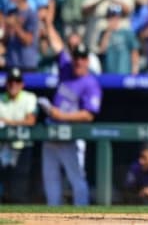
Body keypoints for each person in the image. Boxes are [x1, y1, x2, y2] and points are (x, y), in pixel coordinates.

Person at [38, 14, 102, 206]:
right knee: (50, 179)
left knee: (77, 180)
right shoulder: (66, 68)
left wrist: (61, 115)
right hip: (52, 131)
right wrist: (48, 23)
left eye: (83, 58)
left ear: (88, 61)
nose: (79, 61)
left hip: (71, 136)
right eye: (77, 58)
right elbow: (57, 45)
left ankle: (80, 216)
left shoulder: (91, 83)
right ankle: (52, 217)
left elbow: (89, 114)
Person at [0, 67, 37, 203]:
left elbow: (31, 121)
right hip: (3, 148)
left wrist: (6, 122)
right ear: (6, 83)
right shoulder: (1, 98)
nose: (13, 84)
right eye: (11, 81)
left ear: (22, 84)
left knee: (19, 190)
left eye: (17, 81)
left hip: (22, 148)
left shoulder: (29, 97)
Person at [2, 0, 39, 71]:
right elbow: (6, 40)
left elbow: (28, 41)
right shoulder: (11, 13)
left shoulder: (31, 15)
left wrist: (15, 25)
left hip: (27, 65)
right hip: (11, 63)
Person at [97, 4, 140, 75]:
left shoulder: (127, 33)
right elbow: (102, 51)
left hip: (125, 73)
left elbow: (134, 52)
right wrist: (108, 31)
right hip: (108, 73)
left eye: (115, 16)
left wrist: (134, 71)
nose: (113, 19)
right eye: (111, 16)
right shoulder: (103, 33)